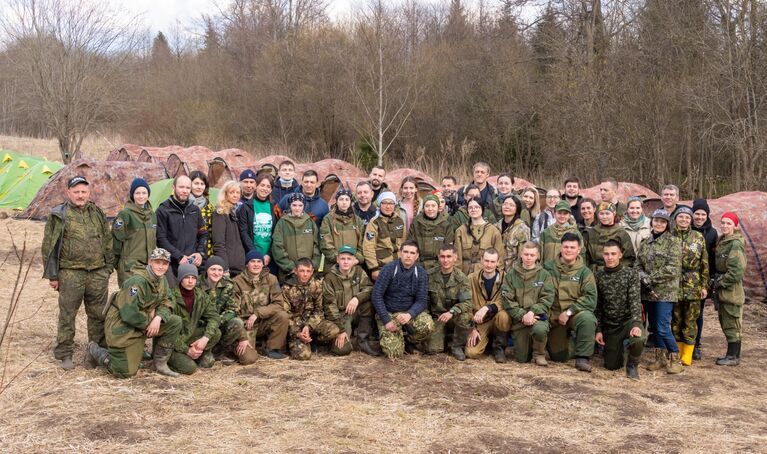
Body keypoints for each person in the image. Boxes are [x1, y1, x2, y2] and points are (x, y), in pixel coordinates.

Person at [43, 175, 113, 370]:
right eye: (76, 192)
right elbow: (49, 245)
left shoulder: (97, 213)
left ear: (89, 193)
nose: (80, 195)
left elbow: (107, 240)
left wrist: (108, 268)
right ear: (68, 193)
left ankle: (95, 352)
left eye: (83, 192)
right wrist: (53, 275)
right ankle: (65, 353)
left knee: (98, 315)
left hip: (97, 273)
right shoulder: (59, 214)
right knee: (67, 315)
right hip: (70, 273)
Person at [88, 248, 181, 378]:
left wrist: (158, 317)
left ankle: (160, 363)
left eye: (165, 263)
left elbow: (169, 301)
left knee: (174, 322)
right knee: (125, 372)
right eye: (158, 262)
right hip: (122, 327)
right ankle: (98, 351)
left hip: (142, 323)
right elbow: (129, 313)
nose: (161, 266)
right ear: (150, 262)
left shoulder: (162, 280)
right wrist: (149, 322)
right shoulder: (137, 282)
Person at [637, 209, 684, 374]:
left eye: (663, 222)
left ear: (667, 225)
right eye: (656, 221)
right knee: (654, 327)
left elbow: (672, 268)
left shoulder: (673, 242)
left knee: (663, 326)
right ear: (652, 222)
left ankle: (675, 358)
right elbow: (638, 265)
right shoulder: (645, 242)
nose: (659, 224)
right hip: (647, 292)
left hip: (665, 292)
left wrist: (650, 279)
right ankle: (660, 358)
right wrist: (643, 277)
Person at [544, 232, 598, 372]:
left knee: (588, 319)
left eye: (572, 247)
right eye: (566, 247)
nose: (569, 250)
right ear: (560, 248)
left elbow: (590, 298)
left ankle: (582, 358)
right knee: (558, 357)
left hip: (574, 314)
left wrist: (569, 312)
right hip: (554, 315)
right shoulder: (548, 268)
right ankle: (573, 343)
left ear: (578, 250)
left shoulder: (584, 272)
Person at [371, 241, 434, 358]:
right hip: (389, 313)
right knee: (394, 354)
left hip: (407, 313)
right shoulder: (388, 269)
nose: (408, 255)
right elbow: (376, 295)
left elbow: (421, 301)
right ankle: (394, 338)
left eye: (412, 253)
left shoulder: (421, 273)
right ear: (400, 253)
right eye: (405, 252)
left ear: (417, 256)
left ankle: (410, 341)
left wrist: (409, 314)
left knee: (428, 325)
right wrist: (386, 320)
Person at [594, 241, 645, 379]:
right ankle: (619, 351)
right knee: (611, 366)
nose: (609, 257)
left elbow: (635, 301)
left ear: (620, 255)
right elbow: (598, 305)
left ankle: (632, 365)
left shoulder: (630, 274)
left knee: (638, 339)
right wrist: (598, 330)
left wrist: (636, 324)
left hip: (628, 321)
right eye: (606, 254)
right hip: (610, 325)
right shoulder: (599, 275)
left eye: (613, 254)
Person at [501, 241, 555, 366]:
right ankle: (527, 348)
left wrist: (532, 312)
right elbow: (507, 300)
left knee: (540, 329)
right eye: (526, 254)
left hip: (537, 317)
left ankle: (539, 354)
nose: (528, 258)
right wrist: (522, 315)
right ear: (521, 254)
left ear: (537, 256)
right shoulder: (511, 275)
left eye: (532, 255)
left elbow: (547, 299)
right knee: (522, 358)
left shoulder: (545, 275)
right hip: (519, 320)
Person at [198, 256, 257, 365]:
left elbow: (232, 310)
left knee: (237, 323)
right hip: (202, 326)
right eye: (213, 269)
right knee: (206, 364)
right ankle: (207, 350)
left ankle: (220, 350)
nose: (216, 273)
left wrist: (218, 321)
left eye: (220, 270)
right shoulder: (196, 284)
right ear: (207, 270)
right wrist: (211, 324)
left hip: (221, 323)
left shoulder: (228, 284)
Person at [231, 250, 289, 359]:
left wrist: (257, 313)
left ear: (263, 264)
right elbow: (234, 312)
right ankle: (235, 347)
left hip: (264, 321)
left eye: (259, 261)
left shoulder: (271, 279)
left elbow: (278, 304)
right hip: (246, 325)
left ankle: (271, 348)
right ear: (247, 264)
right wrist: (242, 337)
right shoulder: (237, 282)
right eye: (253, 261)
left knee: (282, 316)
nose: (256, 264)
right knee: (248, 359)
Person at [282, 258, 342, 360]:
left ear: (312, 272)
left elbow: (319, 310)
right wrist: (298, 333)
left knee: (334, 330)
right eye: (302, 271)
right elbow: (285, 314)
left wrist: (308, 326)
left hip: (312, 323)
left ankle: (313, 341)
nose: (305, 274)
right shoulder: (287, 288)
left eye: (308, 271)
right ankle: (296, 341)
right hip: (295, 327)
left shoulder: (317, 285)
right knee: (304, 356)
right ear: (295, 271)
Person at [322, 246, 377, 356]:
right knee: (341, 350)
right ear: (338, 260)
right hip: (342, 316)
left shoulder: (359, 272)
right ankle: (352, 341)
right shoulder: (330, 278)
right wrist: (341, 330)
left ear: (354, 261)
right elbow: (330, 307)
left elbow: (369, 288)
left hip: (357, 311)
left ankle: (363, 341)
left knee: (368, 304)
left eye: (349, 259)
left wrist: (357, 298)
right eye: (343, 259)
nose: (346, 262)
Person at [671, 206, 709, 366]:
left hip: (693, 283)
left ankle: (688, 353)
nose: (684, 220)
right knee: (676, 319)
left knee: (691, 319)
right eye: (681, 217)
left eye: (687, 217)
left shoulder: (698, 237)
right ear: (676, 219)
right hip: (674, 284)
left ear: (691, 220)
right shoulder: (669, 236)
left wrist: (704, 285)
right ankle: (677, 350)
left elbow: (704, 263)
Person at [168, 263, 221, 374]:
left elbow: (214, 317)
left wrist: (205, 339)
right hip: (171, 343)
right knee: (190, 368)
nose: (190, 281)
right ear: (180, 278)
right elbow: (166, 333)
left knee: (216, 333)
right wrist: (186, 350)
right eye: (187, 277)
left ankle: (198, 353)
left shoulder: (200, 295)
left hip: (189, 337)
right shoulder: (171, 296)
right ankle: (179, 357)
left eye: (193, 278)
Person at [425, 244, 473, 360]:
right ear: (438, 257)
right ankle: (444, 339)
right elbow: (423, 300)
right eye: (442, 256)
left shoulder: (461, 278)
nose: (445, 260)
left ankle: (457, 346)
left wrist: (452, 312)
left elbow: (467, 303)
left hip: (454, 317)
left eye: (449, 256)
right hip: (437, 318)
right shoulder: (429, 275)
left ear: (455, 258)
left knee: (466, 315)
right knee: (433, 350)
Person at [156, 175, 208, 275]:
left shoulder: (195, 210)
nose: (185, 191)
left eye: (188, 188)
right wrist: (179, 256)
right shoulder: (163, 210)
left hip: (192, 264)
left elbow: (203, 234)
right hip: (172, 265)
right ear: (173, 187)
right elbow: (160, 239)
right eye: (181, 187)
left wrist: (200, 253)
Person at [713, 212, 747, 366]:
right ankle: (733, 355)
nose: (725, 226)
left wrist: (719, 282)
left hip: (731, 290)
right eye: (723, 223)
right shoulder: (724, 240)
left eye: (729, 223)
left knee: (732, 322)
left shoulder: (735, 244)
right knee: (726, 321)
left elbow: (736, 271)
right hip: (725, 289)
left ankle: (733, 357)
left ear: (735, 226)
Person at [466, 249, 511, 362]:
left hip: (497, 318)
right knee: (471, 353)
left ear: (498, 262)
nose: (489, 265)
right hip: (480, 322)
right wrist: (472, 328)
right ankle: (487, 342)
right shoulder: (471, 279)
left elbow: (507, 300)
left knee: (504, 316)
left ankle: (499, 348)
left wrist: (487, 307)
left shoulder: (507, 278)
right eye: (486, 261)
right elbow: (465, 304)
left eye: (492, 261)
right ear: (481, 260)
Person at [112, 177, 156, 287]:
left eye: (144, 193)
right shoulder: (125, 214)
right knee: (130, 299)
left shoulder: (152, 215)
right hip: (129, 267)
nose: (141, 196)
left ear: (148, 194)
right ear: (132, 195)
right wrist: (116, 263)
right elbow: (116, 240)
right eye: (137, 193)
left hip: (149, 267)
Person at [691, 198, 718, 360]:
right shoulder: (685, 227)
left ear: (707, 215)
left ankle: (696, 344)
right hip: (684, 279)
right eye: (697, 213)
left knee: (698, 313)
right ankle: (681, 343)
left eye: (703, 214)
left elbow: (713, 259)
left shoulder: (712, 233)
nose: (699, 217)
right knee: (681, 312)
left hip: (702, 279)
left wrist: (711, 279)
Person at [272, 192, 321, 281]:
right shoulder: (282, 223)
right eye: (294, 205)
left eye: (300, 205)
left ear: (304, 206)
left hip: (308, 273)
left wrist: (313, 265)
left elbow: (317, 246)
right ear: (290, 205)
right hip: (289, 273)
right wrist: (290, 266)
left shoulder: (310, 222)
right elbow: (277, 247)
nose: (297, 208)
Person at [363, 191, 407, 280]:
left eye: (391, 203)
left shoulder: (400, 221)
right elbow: (368, 247)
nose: (388, 206)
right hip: (381, 266)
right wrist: (373, 268)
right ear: (380, 204)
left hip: (399, 265)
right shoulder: (374, 222)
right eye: (384, 203)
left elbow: (404, 244)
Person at [454, 199, 505, 275]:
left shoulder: (493, 231)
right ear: (467, 210)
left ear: (482, 209)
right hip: (465, 274)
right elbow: (457, 259)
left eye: (477, 207)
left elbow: (499, 257)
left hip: (486, 274)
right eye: (470, 207)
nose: (473, 209)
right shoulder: (461, 231)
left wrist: (497, 276)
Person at [238, 174, 278, 267]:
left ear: (271, 190)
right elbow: (243, 232)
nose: (265, 188)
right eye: (262, 185)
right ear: (256, 186)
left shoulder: (274, 206)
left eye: (268, 186)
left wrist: (269, 254)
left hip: (269, 256)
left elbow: (277, 233)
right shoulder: (246, 206)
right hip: (252, 255)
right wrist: (255, 254)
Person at [583, 202, 636, 271]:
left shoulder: (622, 233)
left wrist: (617, 269)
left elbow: (629, 258)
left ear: (614, 214)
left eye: (607, 213)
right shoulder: (590, 233)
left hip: (616, 272)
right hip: (594, 272)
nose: (604, 217)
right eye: (601, 214)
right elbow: (584, 256)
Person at [408, 194, 454, 271]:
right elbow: (410, 244)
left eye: (433, 206)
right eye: (427, 206)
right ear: (423, 207)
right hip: (418, 264)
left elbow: (448, 247)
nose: (430, 209)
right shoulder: (416, 222)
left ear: (438, 207)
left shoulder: (445, 224)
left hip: (439, 265)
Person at [320, 188, 365, 268]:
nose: (344, 202)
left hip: (354, 264)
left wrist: (356, 259)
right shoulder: (328, 219)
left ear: (350, 202)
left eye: (347, 199)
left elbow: (362, 244)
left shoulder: (358, 221)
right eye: (341, 199)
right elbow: (326, 244)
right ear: (336, 201)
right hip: (333, 265)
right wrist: (339, 260)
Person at [212, 180, 247, 277]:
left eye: (238, 192)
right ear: (225, 194)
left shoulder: (235, 212)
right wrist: (225, 267)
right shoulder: (220, 213)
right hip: (229, 268)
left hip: (239, 266)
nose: (235, 195)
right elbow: (219, 243)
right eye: (232, 192)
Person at [538, 200, 582, 264]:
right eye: (559, 213)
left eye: (565, 213)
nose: (562, 216)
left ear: (569, 215)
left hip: (568, 272)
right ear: (554, 214)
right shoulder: (546, 233)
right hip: (548, 272)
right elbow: (540, 256)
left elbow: (581, 257)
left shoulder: (576, 233)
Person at [496, 195, 530, 270]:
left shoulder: (522, 228)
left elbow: (523, 255)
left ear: (516, 209)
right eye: (505, 204)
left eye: (511, 205)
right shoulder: (496, 227)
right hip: (497, 270)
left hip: (513, 271)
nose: (507, 207)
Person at [189, 170, 214, 258]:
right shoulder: (183, 205)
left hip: (204, 252)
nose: (199, 187)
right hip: (186, 251)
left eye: (202, 184)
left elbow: (210, 232)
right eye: (196, 183)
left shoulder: (209, 207)